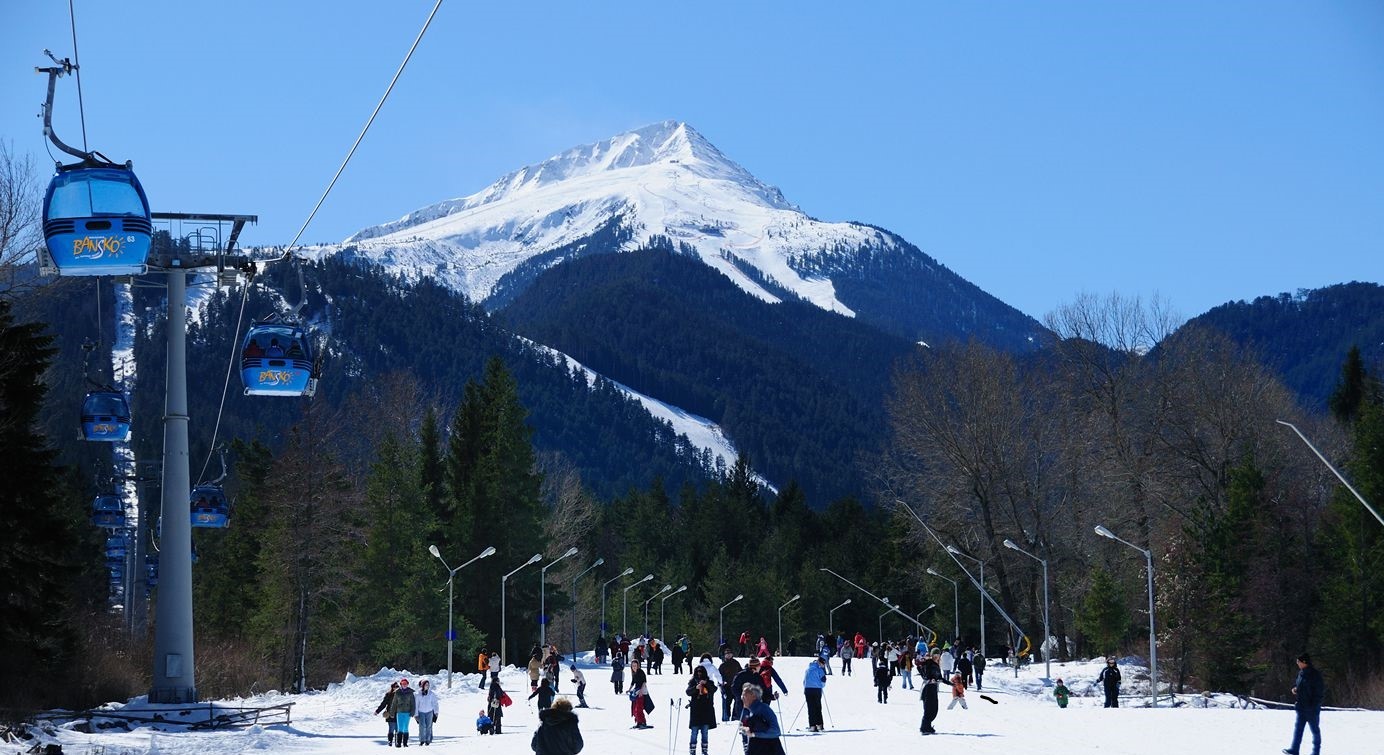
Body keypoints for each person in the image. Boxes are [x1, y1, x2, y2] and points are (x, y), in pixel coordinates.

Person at [1284, 653, 1324, 755]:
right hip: (1301, 707)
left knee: (1315, 731)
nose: (1297, 663)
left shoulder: (1315, 675)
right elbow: (1300, 686)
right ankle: (1294, 750)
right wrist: (1295, 689)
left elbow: (1319, 692)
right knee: (1298, 730)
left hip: (1311, 709)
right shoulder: (1301, 673)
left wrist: (1313, 705)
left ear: (1304, 662)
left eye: (1299, 661)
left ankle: (1316, 752)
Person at [738, 683, 785, 755]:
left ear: (753, 696)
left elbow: (776, 731)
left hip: (771, 749)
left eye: (745, 695)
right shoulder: (750, 711)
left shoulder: (763, 709)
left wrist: (754, 734)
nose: (742, 697)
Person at [687, 664, 719, 755]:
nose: (699, 674)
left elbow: (714, 689)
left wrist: (706, 684)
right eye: (698, 672)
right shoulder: (693, 682)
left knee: (705, 733)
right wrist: (695, 688)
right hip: (696, 711)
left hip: (706, 710)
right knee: (694, 732)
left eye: (701, 672)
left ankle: (704, 750)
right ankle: (692, 750)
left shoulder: (708, 682)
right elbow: (688, 692)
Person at [730, 657, 763, 722]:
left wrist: (772, 696)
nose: (760, 667)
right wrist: (742, 697)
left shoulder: (758, 677)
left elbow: (763, 689)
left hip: (755, 704)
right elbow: (734, 688)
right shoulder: (742, 675)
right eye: (759, 666)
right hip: (743, 704)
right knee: (745, 722)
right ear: (755, 667)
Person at [388, 677, 417, 747]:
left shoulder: (410, 693)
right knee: (400, 728)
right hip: (399, 712)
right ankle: (398, 743)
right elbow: (394, 703)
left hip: (407, 713)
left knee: (406, 727)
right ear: (401, 684)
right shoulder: (397, 692)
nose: (404, 685)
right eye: (403, 684)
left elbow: (413, 703)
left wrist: (413, 711)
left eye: (405, 684)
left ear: (407, 684)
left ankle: (405, 743)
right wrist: (392, 712)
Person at [918, 651, 942, 734]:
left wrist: (952, 684)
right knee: (928, 709)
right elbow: (925, 674)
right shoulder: (928, 664)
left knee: (934, 709)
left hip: (934, 688)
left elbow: (940, 677)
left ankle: (928, 726)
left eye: (938, 655)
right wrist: (930, 679)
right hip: (928, 688)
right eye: (935, 655)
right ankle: (924, 727)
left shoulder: (936, 665)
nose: (937, 657)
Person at [803, 655, 827, 732]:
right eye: (823, 664)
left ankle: (812, 726)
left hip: (808, 690)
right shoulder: (820, 670)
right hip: (817, 690)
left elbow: (804, 681)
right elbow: (823, 680)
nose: (824, 666)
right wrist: (821, 686)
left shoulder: (808, 669)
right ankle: (820, 725)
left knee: (811, 708)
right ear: (820, 663)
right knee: (818, 707)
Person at [718, 650, 744, 721]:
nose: (728, 655)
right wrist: (721, 684)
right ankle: (726, 717)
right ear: (725, 655)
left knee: (737, 702)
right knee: (727, 703)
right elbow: (718, 676)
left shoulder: (736, 663)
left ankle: (734, 717)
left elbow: (741, 672)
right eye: (727, 654)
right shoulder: (722, 665)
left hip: (735, 686)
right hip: (726, 687)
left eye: (730, 653)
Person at [413, 678, 439, 746]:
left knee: (429, 726)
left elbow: (435, 703)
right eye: (426, 685)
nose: (427, 686)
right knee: (422, 726)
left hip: (429, 712)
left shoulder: (431, 694)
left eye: (428, 685)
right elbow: (416, 704)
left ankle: (428, 740)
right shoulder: (418, 694)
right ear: (422, 685)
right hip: (421, 712)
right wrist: (416, 714)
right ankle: (422, 740)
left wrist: (436, 712)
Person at [374, 681, 400, 746]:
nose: (397, 688)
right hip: (390, 714)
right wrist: (377, 711)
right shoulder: (388, 695)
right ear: (392, 688)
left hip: (399, 714)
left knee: (398, 729)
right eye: (395, 686)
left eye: (398, 686)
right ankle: (390, 741)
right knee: (391, 728)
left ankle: (397, 742)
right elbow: (383, 704)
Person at [630, 659, 652, 729]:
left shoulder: (640, 672)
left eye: (635, 665)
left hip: (641, 692)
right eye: (633, 666)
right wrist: (629, 689)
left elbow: (644, 682)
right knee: (634, 708)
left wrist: (641, 691)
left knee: (639, 708)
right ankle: (638, 722)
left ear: (638, 666)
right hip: (636, 692)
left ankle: (643, 722)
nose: (634, 667)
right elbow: (633, 682)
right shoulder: (634, 673)